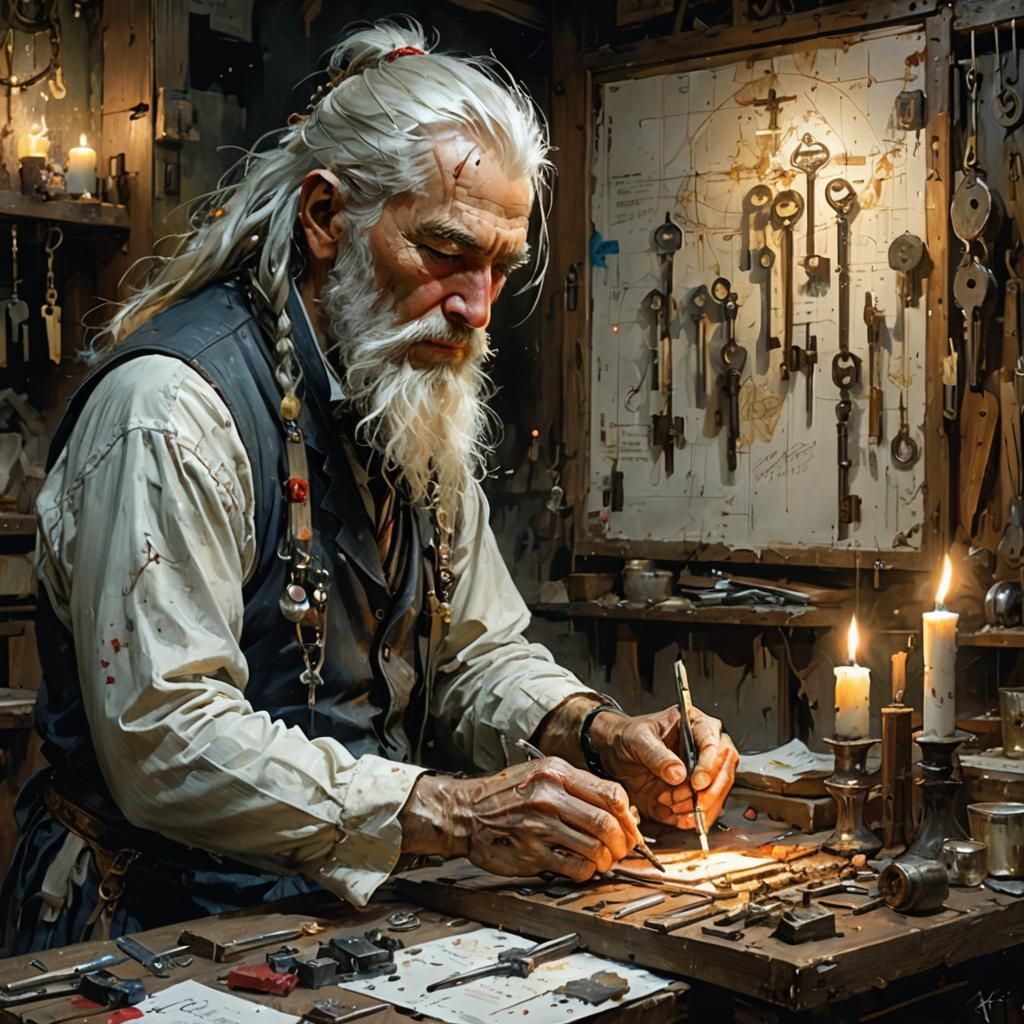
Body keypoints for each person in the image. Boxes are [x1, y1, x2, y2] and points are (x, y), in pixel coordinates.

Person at [0, 18, 738, 952]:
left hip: (335, 916)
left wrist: (587, 730)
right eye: (444, 252)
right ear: (324, 219)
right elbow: (168, 739)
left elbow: (475, 653)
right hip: (142, 924)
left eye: (499, 267)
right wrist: (451, 811)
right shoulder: (172, 411)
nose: (476, 309)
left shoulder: (405, 392)